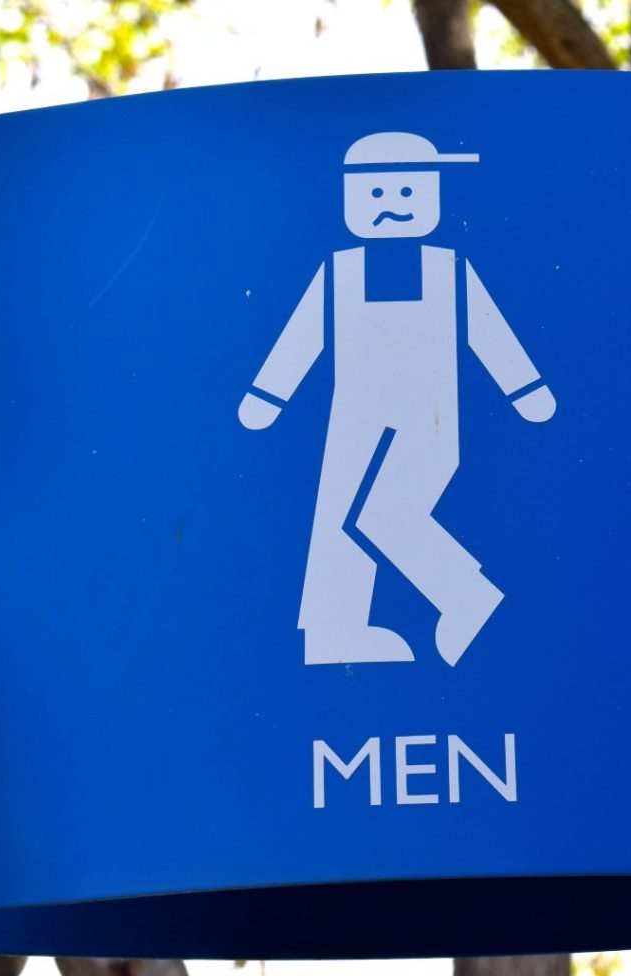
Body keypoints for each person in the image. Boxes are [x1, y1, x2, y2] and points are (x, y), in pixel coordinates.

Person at [238, 132, 555, 667]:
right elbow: (302, 335)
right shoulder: (339, 272)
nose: (392, 206)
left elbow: (489, 331)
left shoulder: (449, 270)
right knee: (336, 512)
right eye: (377, 194)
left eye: (407, 192)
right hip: (353, 414)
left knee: (387, 513)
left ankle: (467, 596)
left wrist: (525, 390)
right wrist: (268, 395)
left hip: (429, 418)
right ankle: (335, 632)